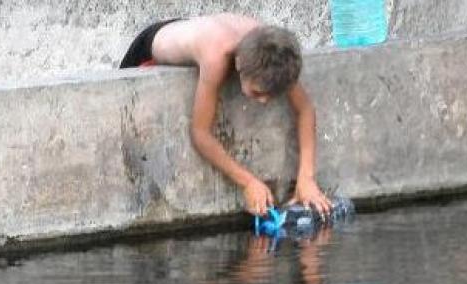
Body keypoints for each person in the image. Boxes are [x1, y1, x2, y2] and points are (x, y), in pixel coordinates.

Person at [120, 14, 332, 218]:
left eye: (272, 95)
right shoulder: (216, 57)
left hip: (197, 30)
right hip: (151, 47)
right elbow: (200, 134)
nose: (264, 101)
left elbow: (305, 109)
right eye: (258, 93)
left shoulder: (276, 54)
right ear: (239, 65)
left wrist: (306, 178)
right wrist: (248, 182)